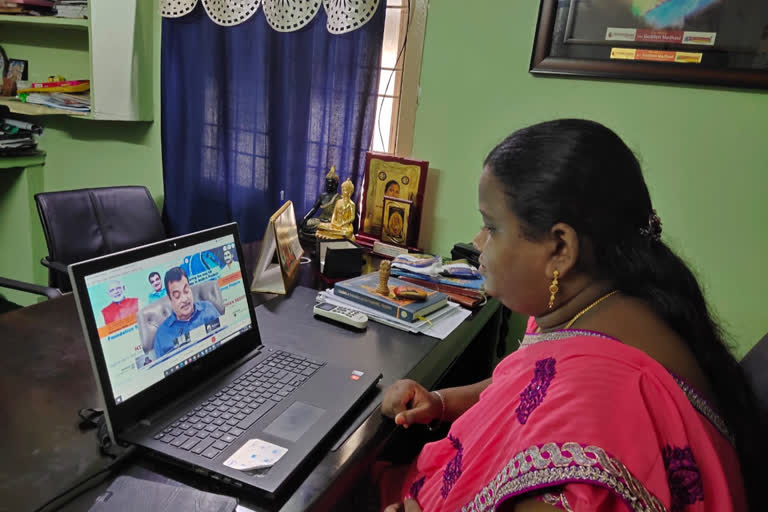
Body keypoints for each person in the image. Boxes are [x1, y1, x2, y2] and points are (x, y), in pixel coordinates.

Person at [378, 119, 761, 512]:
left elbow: (566, 408)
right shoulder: (606, 302)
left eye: (491, 226)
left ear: (561, 248)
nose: (478, 242)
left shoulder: (597, 414)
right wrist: (441, 401)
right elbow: (527, 386)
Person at [153, 267, 220, 358]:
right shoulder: (161, 335)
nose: (184, 299)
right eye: (177, 296)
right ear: (170, 299)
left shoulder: (208, 309)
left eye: (186, 291)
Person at [300, 166, 341, 240]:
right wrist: (305, 218)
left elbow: (339, 218)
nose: (329, 186)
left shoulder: (339, 199)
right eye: (327, 183)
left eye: (331, 184)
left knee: (325, 228)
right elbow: (314, 208)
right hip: (320, 220)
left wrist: (328, 221)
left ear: (336, 184)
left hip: (330, 223)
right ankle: (315, 234)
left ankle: (318, 235)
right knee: (305, 223)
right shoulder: (322, 196)